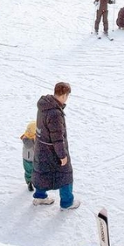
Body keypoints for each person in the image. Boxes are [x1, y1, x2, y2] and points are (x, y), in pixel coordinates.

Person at [32, 82, 80, 210]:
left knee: (42, 172)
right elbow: (58, 138)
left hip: (41, 148)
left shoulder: (44, 105)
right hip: (52, 151)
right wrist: (62, 155)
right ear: (64, 95)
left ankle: (40, 197)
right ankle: (67, 202)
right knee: (65, 174)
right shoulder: (55, 113)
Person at [20, 120, 36, 191]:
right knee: (29, 171)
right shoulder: (26, 138)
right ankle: (29, 182)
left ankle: (36, 181)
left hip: (35, 159)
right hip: (28, 159)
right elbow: (29, 145)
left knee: (36, 171)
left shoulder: (34, 137)